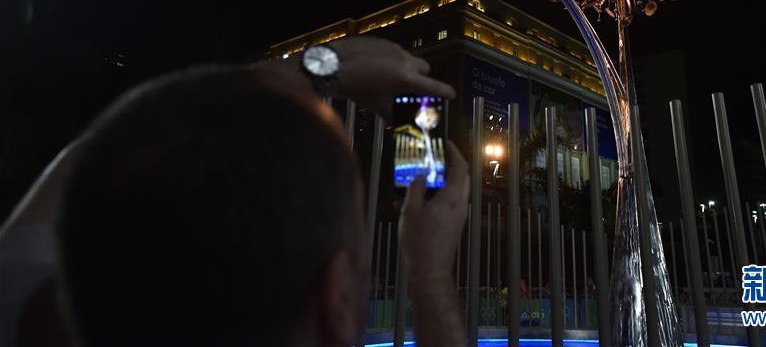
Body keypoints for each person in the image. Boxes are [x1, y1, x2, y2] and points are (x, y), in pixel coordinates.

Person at [0, 36, 468, 347]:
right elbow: (96, 157)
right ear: (337, 302)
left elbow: (101, 153)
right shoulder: (21, 301)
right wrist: (429, 275)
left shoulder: (33, 323)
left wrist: (311, 69)